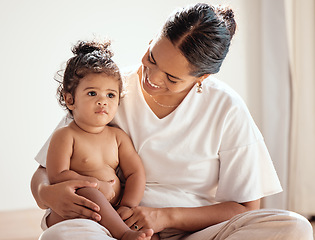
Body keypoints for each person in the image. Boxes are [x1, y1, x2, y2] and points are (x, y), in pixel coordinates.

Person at [31, 3, 314, 240]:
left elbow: (245, 209)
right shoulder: (110, 90)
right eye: (151, 58)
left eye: (172, 77)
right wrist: (47, 194)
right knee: (63, 235)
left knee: (295, 228)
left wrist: (166, 217)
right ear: (152, 39)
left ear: (202, 78)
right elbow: (44, 172)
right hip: (114, 228)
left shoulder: (226, 108)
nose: (152, 78)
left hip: (196, 233)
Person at [43, 39, 154, 240]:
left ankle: (123, 229)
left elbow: (135, 173)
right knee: (89, 193)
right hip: (71, 209)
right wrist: (94, 184)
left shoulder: (118, 137)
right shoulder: (66, 135)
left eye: (111, 95)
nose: (102, 100)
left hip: (110, 211)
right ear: (70, 100)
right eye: (92, 93)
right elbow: (57, 176)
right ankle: (123, 234)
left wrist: (128, 205)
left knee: (151, 234)